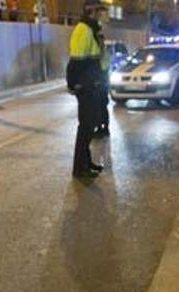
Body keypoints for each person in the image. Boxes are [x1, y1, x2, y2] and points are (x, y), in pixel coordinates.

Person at [66, 1, 108, 178]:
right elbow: (76, 62)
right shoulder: (83, 30)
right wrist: (75, 85)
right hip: (86, 88)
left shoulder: (92, 30)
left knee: (90, 127)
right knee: (86, 127)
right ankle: (79, 168)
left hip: (93, 85)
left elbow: (97, 59)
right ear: (92, 12)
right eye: (100, 11)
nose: (103, 14)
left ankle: (86, 162)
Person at [95, 33, 111, 138]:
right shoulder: (100, 53)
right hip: (100, 84)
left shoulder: (104, 54)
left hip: (102, 84)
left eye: (100, 41)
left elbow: (103, 68)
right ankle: (100, 127)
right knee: (98, 107)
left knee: (102, 107)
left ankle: (104, 128)